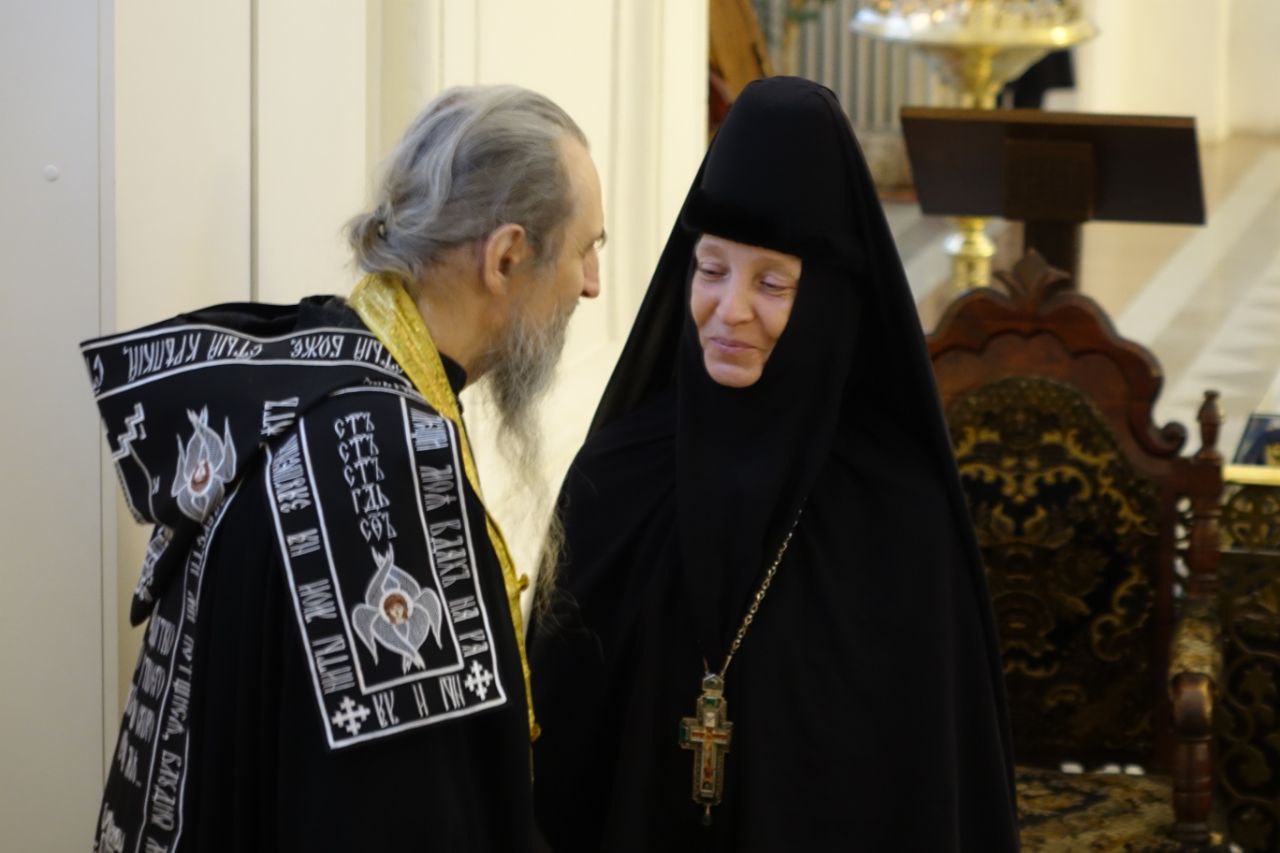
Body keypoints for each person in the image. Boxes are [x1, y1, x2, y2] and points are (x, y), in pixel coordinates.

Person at [86, 84, 604, 853]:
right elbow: (398, 816)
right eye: (587, 248)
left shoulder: (305, 371)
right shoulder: (388, 466)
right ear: (506, 258)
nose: (592, 282)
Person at [528, 76, 1019, 852]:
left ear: (827, 301)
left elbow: (921, 785)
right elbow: (562, 752)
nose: (730, 310)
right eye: (711, 269)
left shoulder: (897, 511)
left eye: (772, 282)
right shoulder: (617, 476)